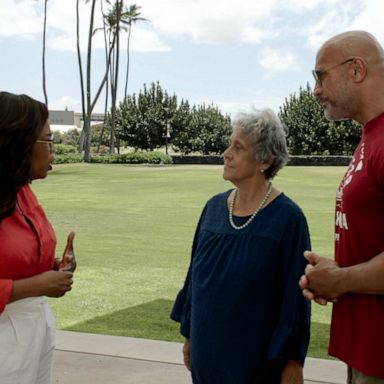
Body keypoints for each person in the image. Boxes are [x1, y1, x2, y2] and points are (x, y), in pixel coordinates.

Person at [171, 108, 311, 384]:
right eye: (229, 144)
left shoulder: (288, 219)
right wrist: (189, 335)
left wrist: (293, 362)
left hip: (255, 365)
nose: (226, 153)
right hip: (207, 359)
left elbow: (294, 302)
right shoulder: (213, 209)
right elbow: (194, 280)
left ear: (265, 160)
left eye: (238, 147)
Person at [299, 31, 384, 383]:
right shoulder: (369, 138)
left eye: (321, 76)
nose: (316, 90)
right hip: (366, 349)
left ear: (356, 70)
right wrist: (337, 271)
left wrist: (340, 280)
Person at [0, 91, 76, 384]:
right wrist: (36, 285)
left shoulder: (22, 193)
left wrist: (55, 267)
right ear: (19, 143)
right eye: (49, 140)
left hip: (34, 327)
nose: (53, 149)